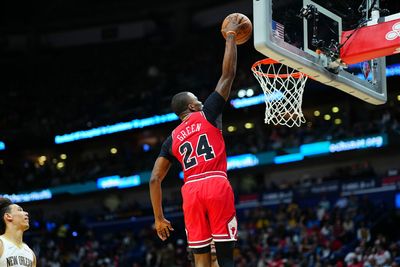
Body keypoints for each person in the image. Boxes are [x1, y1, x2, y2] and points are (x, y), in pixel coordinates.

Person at [149, 15, 245, 267]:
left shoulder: (171, 139)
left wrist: (159, 218)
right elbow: (228, 74)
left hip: (190, 191)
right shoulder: (208, 113)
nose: (202, 100)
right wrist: (232, 36)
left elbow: (154, 179)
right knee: (225, 259)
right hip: (214, 182)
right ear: (192, 106)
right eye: (198, 100)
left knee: (201, 261)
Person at [0, 197, 36, 267]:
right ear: (8, 216)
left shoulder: (31, 253)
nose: (26, 213)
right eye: (20, 210)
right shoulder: (1, 244)